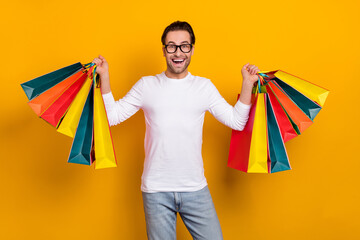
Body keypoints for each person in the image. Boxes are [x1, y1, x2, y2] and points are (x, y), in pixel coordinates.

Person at [92, 21, 260, 240]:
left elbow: (237, 121)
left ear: (192, 49)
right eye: (171, 46)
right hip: (156, 191)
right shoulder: (147, 85)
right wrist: (104, 77)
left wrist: (247, 84)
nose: (178, 52)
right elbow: (112, 116)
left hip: (195, 189)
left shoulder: (204, 87)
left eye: (184, 46)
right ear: (164, 51)